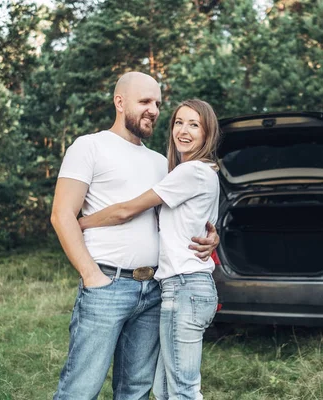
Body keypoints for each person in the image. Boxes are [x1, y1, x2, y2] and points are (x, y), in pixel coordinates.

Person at [50, 73, 219, 400]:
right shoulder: (90, 146)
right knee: (81, 388)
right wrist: (91, 275)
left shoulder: (162, 163)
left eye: (157, 103)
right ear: (120, 101)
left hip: (156, 289)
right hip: (107, 286)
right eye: (145, 102)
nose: (154, 110)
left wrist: (212, 240)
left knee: (136, 390)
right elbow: (61, 215)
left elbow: (179, 220)